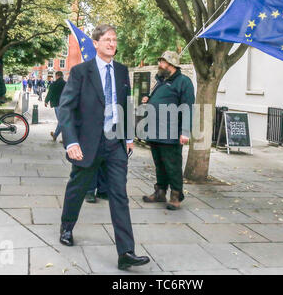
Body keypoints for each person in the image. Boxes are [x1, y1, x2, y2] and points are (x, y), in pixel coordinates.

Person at [58, 24, 150, 270]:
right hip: (87, 142)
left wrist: (128, 136)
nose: (112, 43)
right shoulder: (81, 72)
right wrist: (72, 142)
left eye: (114, 39)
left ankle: (126, 252)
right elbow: (65, 108)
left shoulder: (121, 71)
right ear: (96, 44)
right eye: (107, 39)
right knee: (77, 188)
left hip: (115, 144)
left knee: (119, 194)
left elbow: (126, 104)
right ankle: (66, 227)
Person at [141, 51, 195, 210]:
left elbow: (188, 107)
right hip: (155, 131)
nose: (159, 64)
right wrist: (149, 100)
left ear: (171, 64)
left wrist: (185, 131)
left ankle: (176, 196)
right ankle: (160, 192)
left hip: (170, 133)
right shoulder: (160, 81)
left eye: (162, 62)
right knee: (159, 165)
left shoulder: (183, 82)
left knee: (172, 165)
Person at [45, 71, 66, 142]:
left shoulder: (54, 84)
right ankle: (58, 136)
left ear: (57, 76)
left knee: (61, 121)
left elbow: (50, 93)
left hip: (57, 104)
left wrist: (46, 101)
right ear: (62, 76)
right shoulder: (66, 84)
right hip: (65, 104)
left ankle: (57, 136)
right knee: (62, 120)